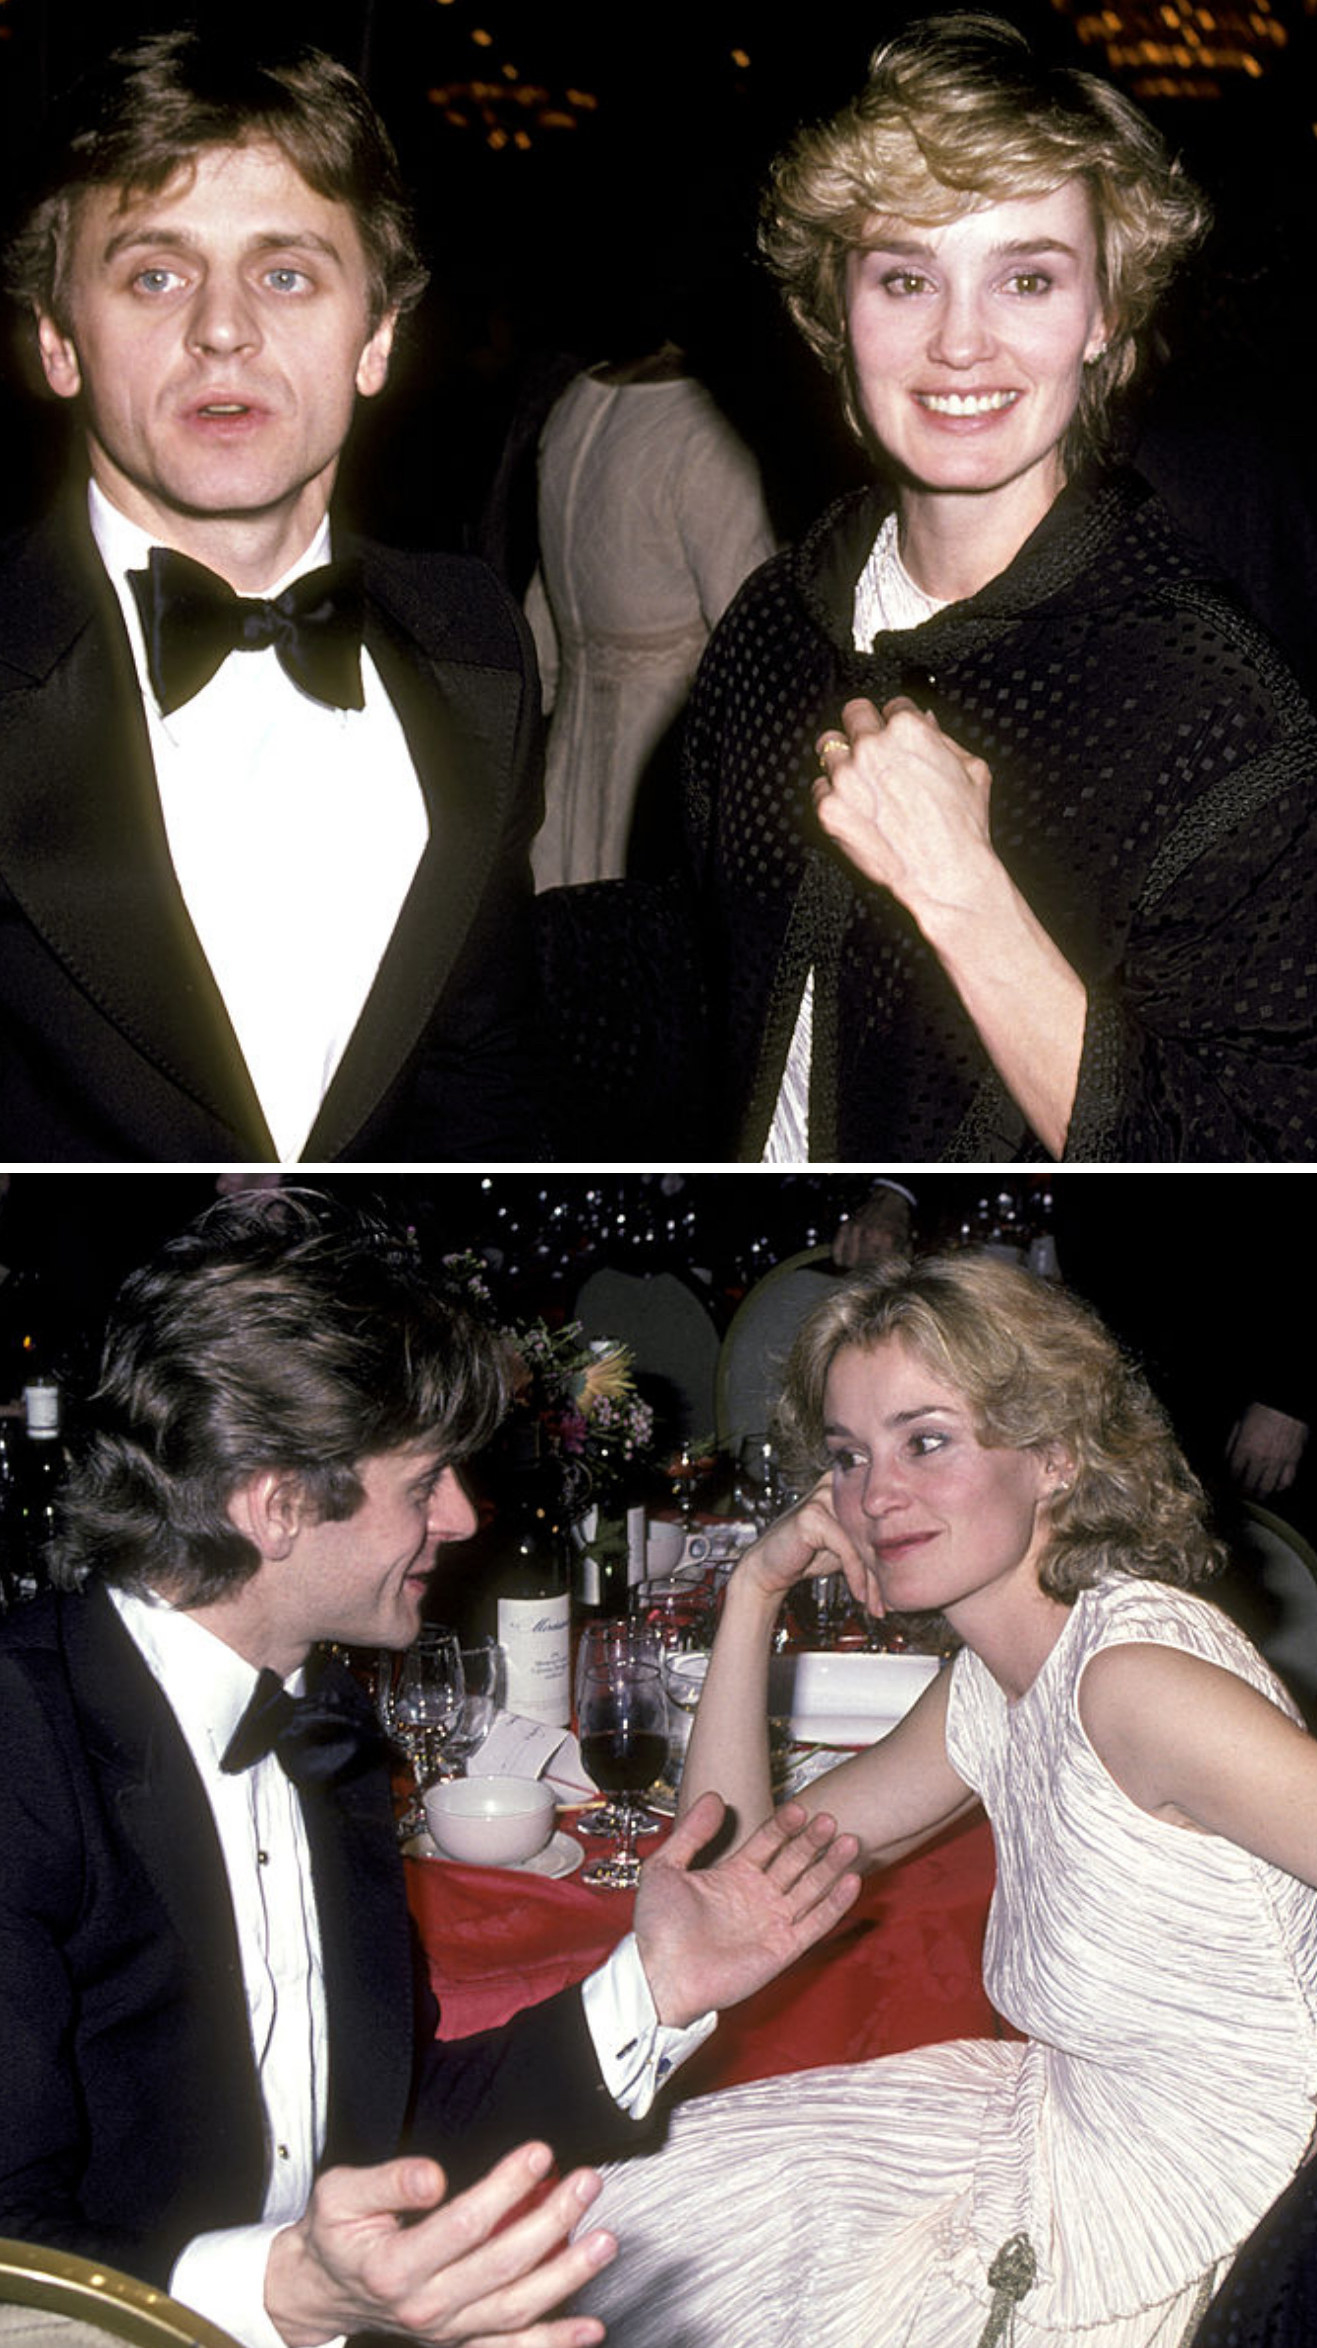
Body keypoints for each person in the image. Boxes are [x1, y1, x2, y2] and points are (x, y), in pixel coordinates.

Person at [0, 1189, 861, 2348]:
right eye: (423, 1483)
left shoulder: (323, 1714)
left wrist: (653, 1984)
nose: (461, 1515)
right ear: (276, 1508)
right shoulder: (21, 1748)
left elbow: (398, 2130)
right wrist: (283, 2291)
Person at [572, 1249, 1317, 2346]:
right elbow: (731, 1874)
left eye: (928, 1440)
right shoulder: (997, 1682)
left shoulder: (1135, 1680)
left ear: (1055, 1455)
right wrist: (755, 1590)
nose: (877, 1495)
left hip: (1209, 2218)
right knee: (620, 2222)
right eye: (848, 1455)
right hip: (1053, 2134)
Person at [680, 13, 1317, 1160]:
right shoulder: (771, 625)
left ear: (1104, 314)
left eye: (1027, 277)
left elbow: (1244, 1156)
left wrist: (963, 890)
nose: (961, 343)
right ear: (837, 314)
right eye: (906, 278)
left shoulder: (1220, 712)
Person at [0, 30, 544, 1162]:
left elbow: (481, 1082)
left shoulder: (476, 644)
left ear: (376, 336)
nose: (224, 327)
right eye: (156, 273)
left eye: (285, 272)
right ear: (60, 341)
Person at [526, 341, 775, 890]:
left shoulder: (577, 400)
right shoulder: (703, 428)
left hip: (566, 760)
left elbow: (541, 625)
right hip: (659, 776)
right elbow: (757, 631)